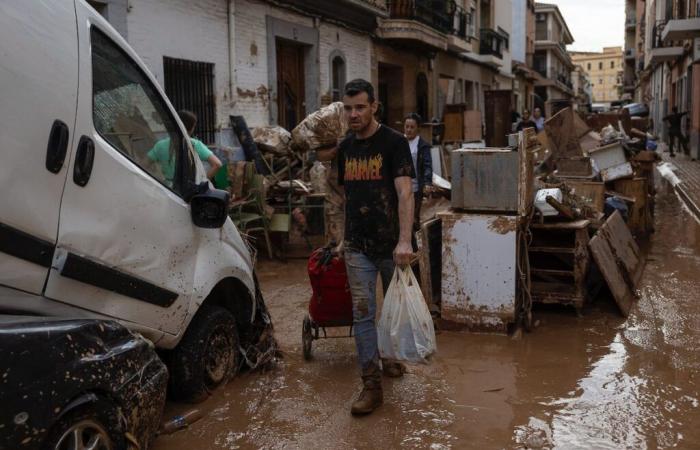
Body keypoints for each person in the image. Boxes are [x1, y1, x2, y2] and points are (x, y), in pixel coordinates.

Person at [337, 79, 415, 416]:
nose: (353, 114)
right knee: (363, 313)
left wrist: (404, 240)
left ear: (374, 107)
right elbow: (346, 196)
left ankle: (391, 357)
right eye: (348, 108)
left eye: (359, 107)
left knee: (396, 308)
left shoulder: (394, 143)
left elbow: (405, 193)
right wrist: (342, 236)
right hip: (357, 246)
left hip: (391, 245)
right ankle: (371, 385)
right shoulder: (344, 149)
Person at [148, 110, 222, 183]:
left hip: (167, 189)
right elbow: (217, 164)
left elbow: (144, 164)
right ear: (191, 128)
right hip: (187, 190)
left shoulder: (160, 145)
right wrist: (202, 182)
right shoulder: (194, 144)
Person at [403, 113, 433, 230]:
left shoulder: (422, 146)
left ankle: (414, 245)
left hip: (415, 188)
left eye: (412, 127)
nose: (409, 130)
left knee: (413, 218)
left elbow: (427, 165)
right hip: (400, 187)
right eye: (407, 126)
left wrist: (427, 183)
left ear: (418, 129)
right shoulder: (399, 142)